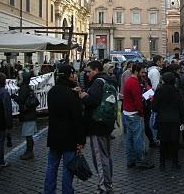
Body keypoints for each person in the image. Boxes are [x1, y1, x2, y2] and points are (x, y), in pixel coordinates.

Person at [44, 65, 86, 194]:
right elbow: (77, 119)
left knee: (52, 166)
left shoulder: (52, 92)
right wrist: (81, 140)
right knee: (68, 168)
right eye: (72, 74)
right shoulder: (72, 94)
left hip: (54, 135)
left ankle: (48, 191)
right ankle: (67, 191)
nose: (74, 76)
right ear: (69, 75)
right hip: (69, 137)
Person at [79, 61, 116, 193]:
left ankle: (104, 186)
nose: (87, 74)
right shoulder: (109, 80)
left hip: (97, 125)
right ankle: (108, 183)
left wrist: (83, 96)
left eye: (89, 71)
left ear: (96, 70)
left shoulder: (97, 82)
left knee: (100, 158)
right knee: (106, 155)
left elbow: (93, 101)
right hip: (106, 124)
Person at [152, 72, 184, 171]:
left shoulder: (159, 91)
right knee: (174, 142)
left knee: (163, 142)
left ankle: (162, 164)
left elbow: (154, 107)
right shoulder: (177, 92)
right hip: (175, 120)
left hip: (162, 120)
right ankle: (175, 163)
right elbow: (181, 108)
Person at [122, 63, 154, 169]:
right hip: (134, 113)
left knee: (129, 138)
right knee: (137, 138)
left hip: (127, 112)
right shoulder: (134, 83)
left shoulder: (129, 81)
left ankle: (130, 160)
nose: (143, 74)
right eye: (142, 72)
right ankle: (140, 160)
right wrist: (141, 112)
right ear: (136, 71)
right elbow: (138, 101)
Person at [11, 70, 37, 160]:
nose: (18, 79)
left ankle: (29, 152)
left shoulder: (24, 88)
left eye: (19, 77)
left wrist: (14, 97)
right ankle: (29, 151)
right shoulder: (26, 87)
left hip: (28, 115)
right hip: (30, 114)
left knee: (28, 135)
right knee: (28, 135)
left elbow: (21, 100)